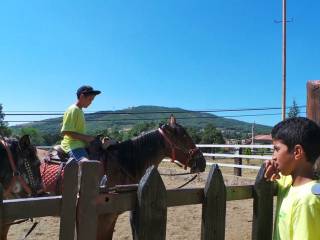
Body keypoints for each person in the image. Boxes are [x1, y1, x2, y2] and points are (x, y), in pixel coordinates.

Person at [264, 117, 320, 240]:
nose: (273, 157)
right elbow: (270, 177)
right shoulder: (289, 182)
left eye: (276, 149)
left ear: (297, 152)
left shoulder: (307, 200)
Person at [60, 85, 101, 161]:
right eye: (90, 99)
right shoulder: (73, 109)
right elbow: (67, 132)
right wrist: (87, 138)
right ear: (82, 97)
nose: (91, 102)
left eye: (92, 100)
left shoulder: (80, 110)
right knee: (88, 165)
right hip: (73, 145)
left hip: (80, 144)